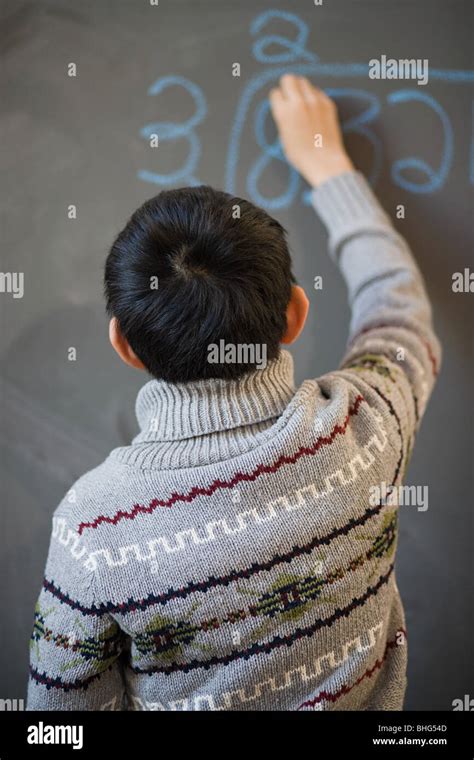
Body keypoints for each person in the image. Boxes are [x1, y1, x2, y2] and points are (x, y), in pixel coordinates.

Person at [26, 75, 440, 711]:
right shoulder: (364, 428)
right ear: (296, 314)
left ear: (123, 345)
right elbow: (398, 310)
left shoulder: (94, 528)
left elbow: (59, 725)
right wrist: (326, 162)